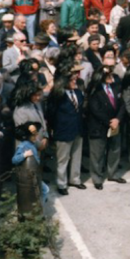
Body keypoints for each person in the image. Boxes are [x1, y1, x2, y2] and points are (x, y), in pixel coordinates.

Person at [46, 66, 87, 195]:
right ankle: (61, 183)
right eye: (72, 80)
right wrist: (53, 128)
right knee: (62, 159)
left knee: (76, 156)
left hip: (77, 129)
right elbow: (51, 113)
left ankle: (75, 179)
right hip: (63, 130)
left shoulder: (79, 93)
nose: (75, 82)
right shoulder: (57, 95)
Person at [86, 67, 125, 189]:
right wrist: (109, 121)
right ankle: (97, 178)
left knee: (114, 150)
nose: (111, 78)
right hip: (99, 126)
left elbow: (122, 104)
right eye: (108, 76)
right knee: (97, 154)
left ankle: (112, 173)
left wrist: (117, 119)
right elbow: (95, 110)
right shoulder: (94, 91)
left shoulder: (116, 87)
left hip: (115, 124)